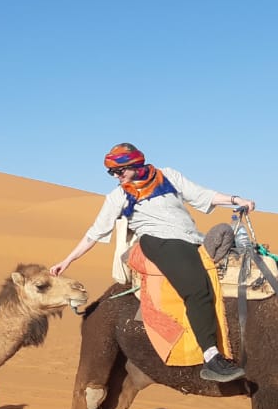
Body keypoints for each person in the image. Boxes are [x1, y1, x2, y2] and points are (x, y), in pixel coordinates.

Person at [50, 143, 255, 383]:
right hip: (158, 242)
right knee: (197, 290)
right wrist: (68, 260)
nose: (116, 177)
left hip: (192, 239)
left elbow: (202, 195)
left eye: (120, 171)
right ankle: (211, 358)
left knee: (231, 250)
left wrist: (235, 199)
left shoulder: (167, 175)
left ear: (135, 164)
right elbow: (95, 232)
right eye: (112, 173)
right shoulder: (118, 197)